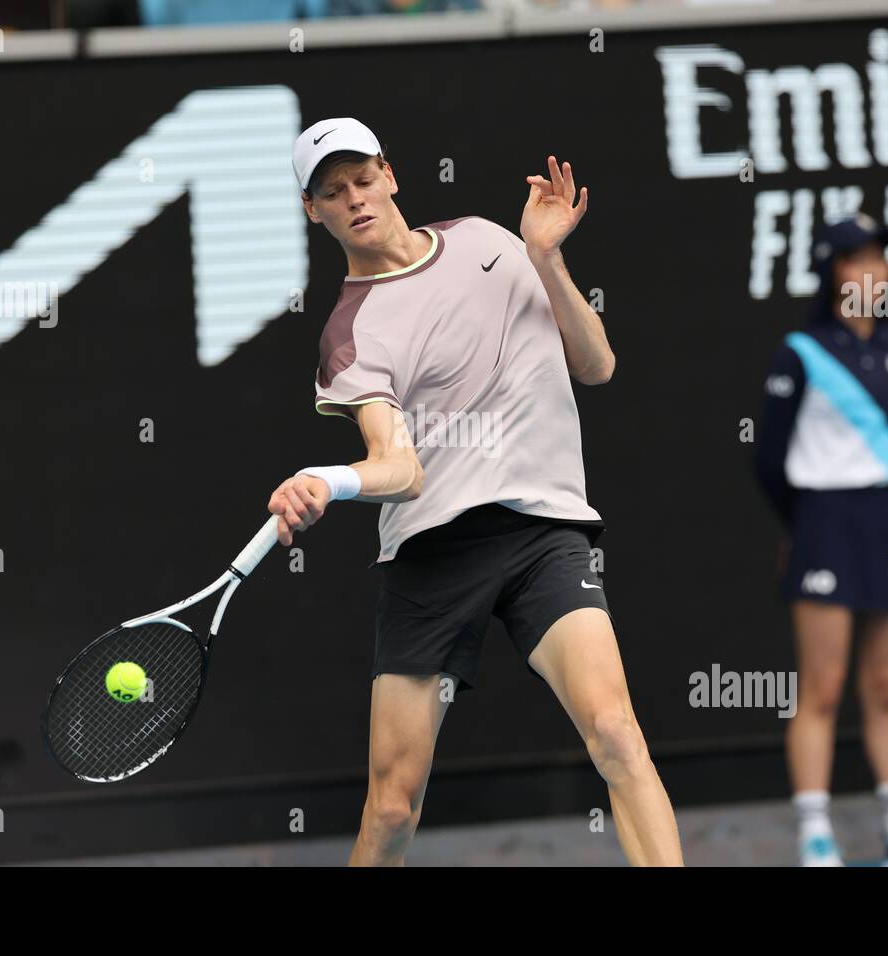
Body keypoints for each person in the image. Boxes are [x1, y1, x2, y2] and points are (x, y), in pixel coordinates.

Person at [269, 117, 683, 866]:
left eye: (363, 179)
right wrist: (327, 481)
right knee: (392, 807)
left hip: (543, 534)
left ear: (389, 175)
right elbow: (400, 469)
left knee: (618, 734)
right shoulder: (348, 334)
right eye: (333, 191)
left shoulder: (490, 242)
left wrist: (546, 258)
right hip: (432, 555)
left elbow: (596, 366)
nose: (355, 198)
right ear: (314, 211)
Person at [754, 215, 888, 867]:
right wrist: (805, 529)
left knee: (886, 688)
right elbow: (768, 458)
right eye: (858, 261)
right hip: (825, 524)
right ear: (832, 273)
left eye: (881, 260)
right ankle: (815, 835)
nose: (874, 273)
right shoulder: (800, 351)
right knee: (821, 687)